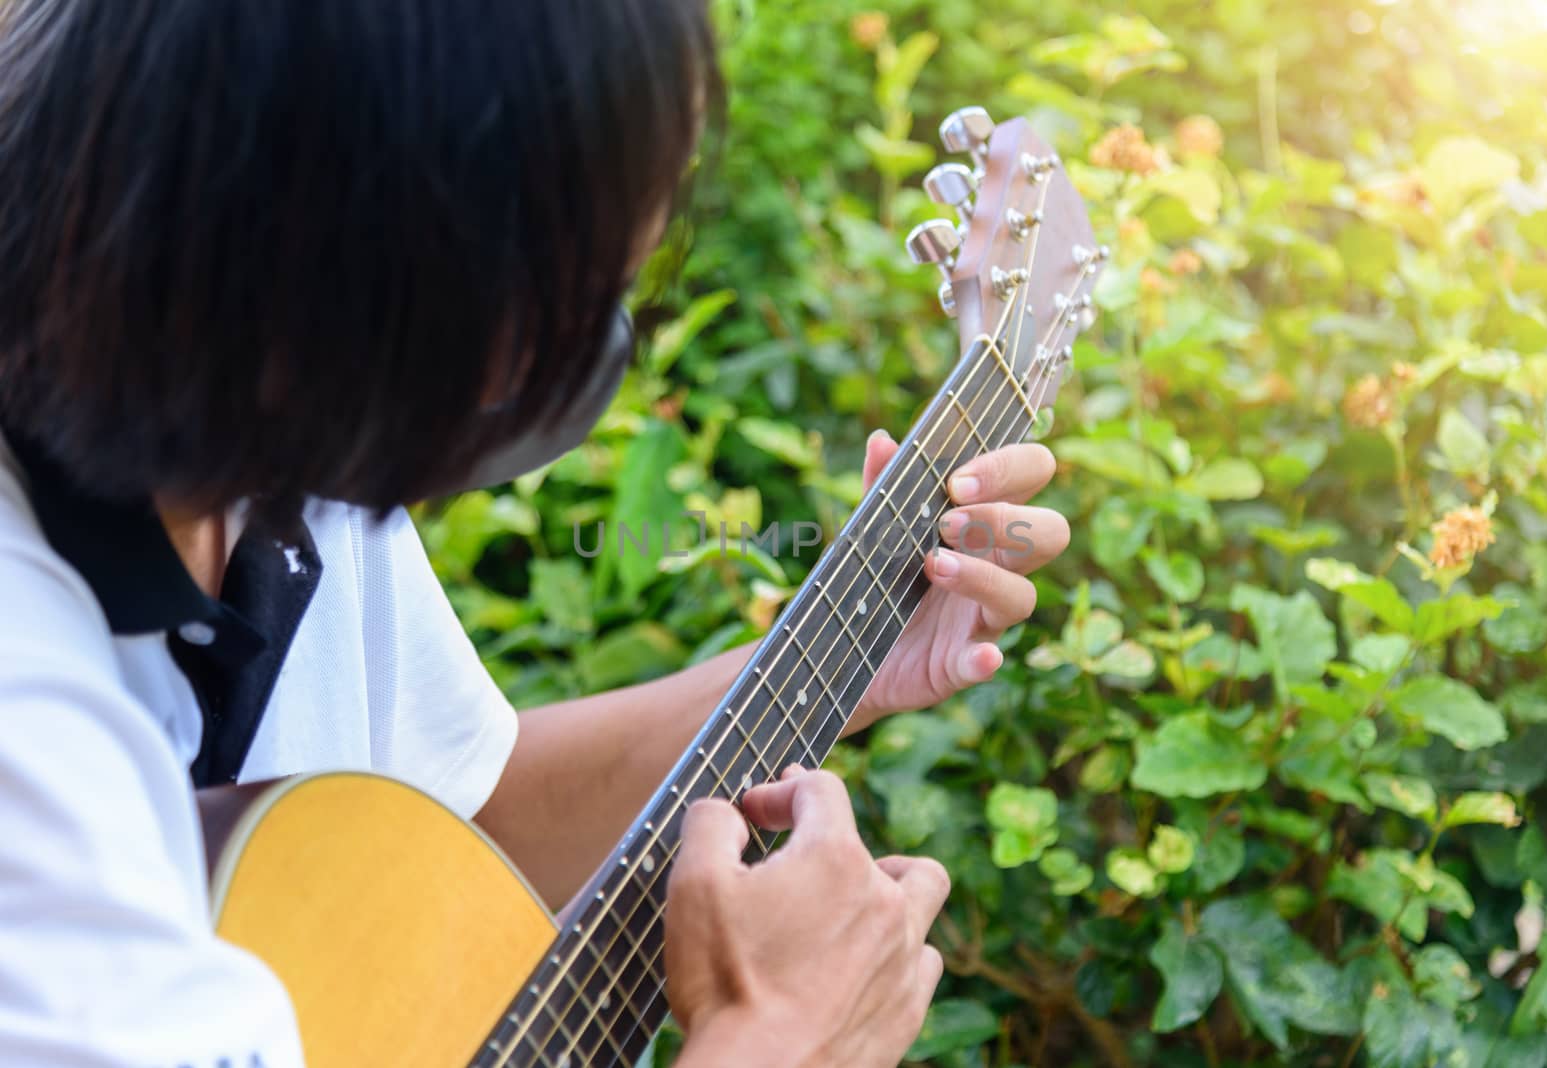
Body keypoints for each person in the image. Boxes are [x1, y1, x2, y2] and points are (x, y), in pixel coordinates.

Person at [0, 1, 1071, 1065]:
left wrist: (849, 648)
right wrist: (781, 1039)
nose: (568, 359)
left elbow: (461, 820)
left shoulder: (262, 437)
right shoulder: (27, 717)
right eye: (573, 285)